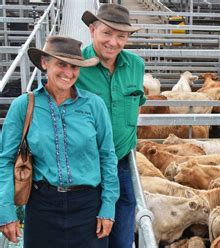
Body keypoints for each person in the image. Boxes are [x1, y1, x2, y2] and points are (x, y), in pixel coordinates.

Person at [0, 36, 119, 247]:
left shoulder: (94, 105)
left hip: (89, 207)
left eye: (74, 66)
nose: (68, 72)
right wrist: (6, 210)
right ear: (45, 63)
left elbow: (108, 156)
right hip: (42, 206)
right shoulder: (24, 105)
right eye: (61, 64)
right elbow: (5, 160)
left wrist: (108, 206)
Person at [76, 4, 145, 247]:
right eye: (107, 33)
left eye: (121, 36)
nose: (113, 42)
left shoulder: (136, 65)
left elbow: (138, 103)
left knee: (123, 237)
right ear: (92, 30)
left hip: (122, 164)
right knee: (92, 235)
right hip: (86, 168)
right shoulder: (75, 66)